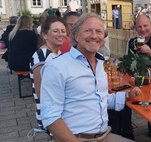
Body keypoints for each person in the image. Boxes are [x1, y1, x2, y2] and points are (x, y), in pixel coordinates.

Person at [40, 13, 141, 142]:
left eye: (99, 31)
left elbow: (99, 98)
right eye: (87, 31)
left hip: (105, 136)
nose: (94, 36)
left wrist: (127, 95)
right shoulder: (56, 67)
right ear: (76, 35)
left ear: (103, 38)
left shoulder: (99, 64)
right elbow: (50, 117)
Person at [30, 17, 67, 131]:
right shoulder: (42, 56)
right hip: (52, 115)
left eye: (63, 31)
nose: (60, 34)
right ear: (44, 35)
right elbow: (41, 93)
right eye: (55, 31)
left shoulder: (57, 53)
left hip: (60, 109)